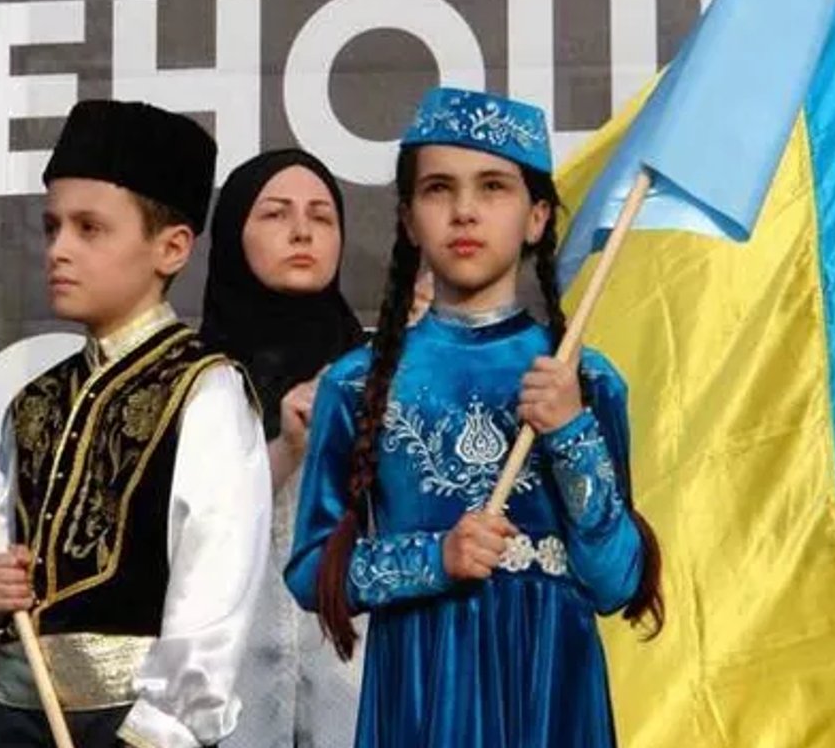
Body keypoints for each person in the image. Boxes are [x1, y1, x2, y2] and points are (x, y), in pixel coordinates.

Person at [285, 87, 665, 748]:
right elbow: (311, 572)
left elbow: (615, 581)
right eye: (439, 189)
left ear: (537, 217)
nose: (464, 210)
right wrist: (435, 558)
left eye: (493, 187)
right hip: (423, 688)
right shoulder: (358, 382)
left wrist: (571, 431)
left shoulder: (584, 379)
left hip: (552, 688)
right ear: (408, 220)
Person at [0, 99, 272, 748]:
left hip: (133, 727)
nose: (59, 250)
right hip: (16, 720)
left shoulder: (204, 390)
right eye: (52, 227)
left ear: (171, 247)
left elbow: (213, 598)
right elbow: (2, 571)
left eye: (90, 229)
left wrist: (155, 734)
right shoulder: (34, 404)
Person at [200, 148, 366, 748]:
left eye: (322, 217)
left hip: (356, 689)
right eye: (275, 214)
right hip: (226, 694)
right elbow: (182, 534)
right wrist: (287, 450)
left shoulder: (380, 372)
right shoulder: (190, 384)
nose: (302, 231)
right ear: (232, 234)